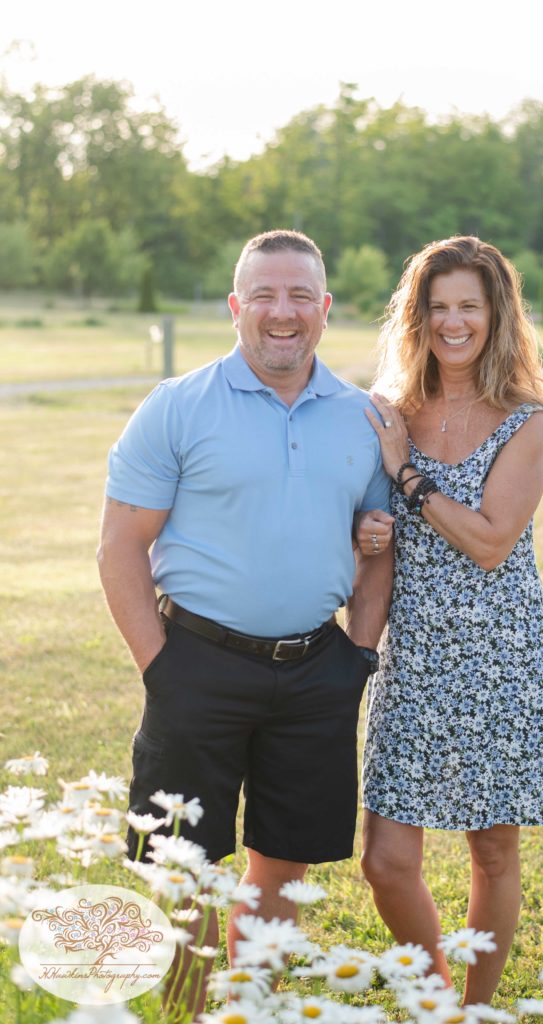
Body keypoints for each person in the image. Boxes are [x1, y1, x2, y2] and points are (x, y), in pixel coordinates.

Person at [97, 229, 393, 1007]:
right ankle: (181, 1010)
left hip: (317, 671)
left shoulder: (367, 420)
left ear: (325, 310)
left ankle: (250, 1008)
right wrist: (161, 668)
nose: (282, 312)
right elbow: (121, 547)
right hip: (197, 663)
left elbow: (381, 543)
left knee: (283, 862)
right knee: (184, 862)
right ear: (236, 306)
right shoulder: (177, 408)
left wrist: (357, 654)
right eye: (264, 293)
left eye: (300, 295)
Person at [356, 235, 543, 1005]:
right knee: (383, 859)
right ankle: (440, 995)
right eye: (438, 306)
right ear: (417, 317)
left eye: (468, 307)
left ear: (496, 315)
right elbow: (368, 526)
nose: (453, 322)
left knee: (493, 850)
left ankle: (474, 1012)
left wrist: (408, 478)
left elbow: (489, 542)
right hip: (411, 655)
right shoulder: (394, 414)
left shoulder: (526, 421)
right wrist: (369, 527)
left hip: (499, 655)